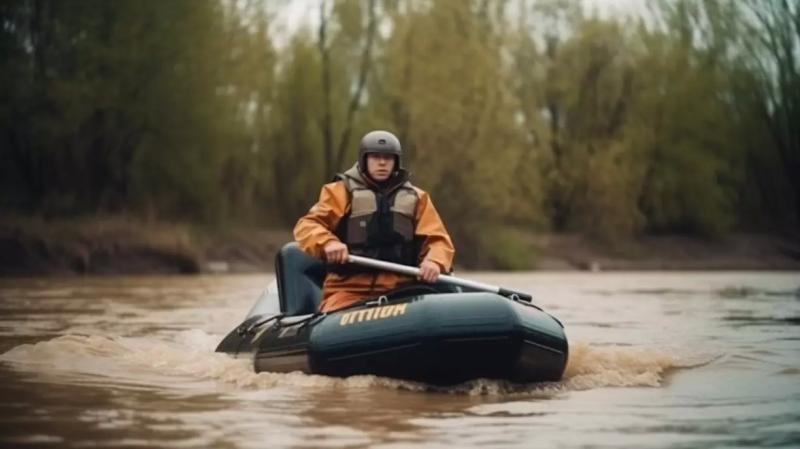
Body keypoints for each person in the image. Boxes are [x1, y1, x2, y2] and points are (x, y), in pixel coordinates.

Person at [293, 130, 455, 313]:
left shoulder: (417, 198)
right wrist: (328, 242)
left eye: (388, 158)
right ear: (364, 160)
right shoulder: (339, 191)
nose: (382, 163)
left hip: (403, 291)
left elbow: (438, 239)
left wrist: (434, 262)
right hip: (349, 291)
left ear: (396, 162)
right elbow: (307, 225)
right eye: (375, 157)